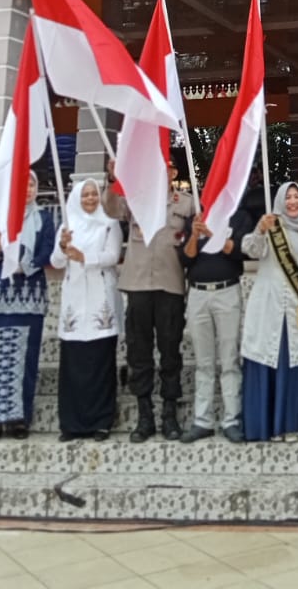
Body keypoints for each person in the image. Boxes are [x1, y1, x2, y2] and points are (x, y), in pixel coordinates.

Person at [104, 157, 193, 442]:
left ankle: (169, 413)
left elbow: (198, 233)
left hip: (170, 285)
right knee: (138, 353)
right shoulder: (136, 199)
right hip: (138, 284)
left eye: (165, 167)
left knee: (170, 352)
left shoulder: (186, 203)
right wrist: (113, 179)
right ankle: (144, 416)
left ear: (173, 171)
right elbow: (111, 209)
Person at [240, 181, 298, 442]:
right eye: (287, 197)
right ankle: (270, 425)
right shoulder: (270, 226)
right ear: (279, 200)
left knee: (297, 362)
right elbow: (250, 249)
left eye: (296, 197)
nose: (292, 202)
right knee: (271, 359)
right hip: (269, 304)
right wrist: (259, 229)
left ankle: (292, 423)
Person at [0, 170, 55, 442]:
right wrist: (0, 249)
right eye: (23, 184)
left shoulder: (44, 218)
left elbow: (47, 251)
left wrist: (22, 263)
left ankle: (20, 419)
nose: (29, 190)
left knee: (26, 359)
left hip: (29, 296)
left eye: (32, 184)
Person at [49, 178, 122, 442]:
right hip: (74, 303)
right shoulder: (67, 227)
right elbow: (56, 262)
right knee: (73, 365)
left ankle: (102, 421)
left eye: (94, 194)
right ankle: (72, 423)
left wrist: (86, 259)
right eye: (85, 195)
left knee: (100, 364)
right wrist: (62, 246)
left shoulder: (108, 225)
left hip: (100, 300)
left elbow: (113, 257)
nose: (90, 199)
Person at [178, 203, 251, 443]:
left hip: (227, 291)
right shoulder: (195, 219)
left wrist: (213, 234)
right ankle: (203, 420)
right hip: (198, 293)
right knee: (204, 361)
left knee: (229, 358)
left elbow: (240, 251)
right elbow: (186, 258)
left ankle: (231, 418)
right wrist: (195, 234)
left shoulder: (238, 217)